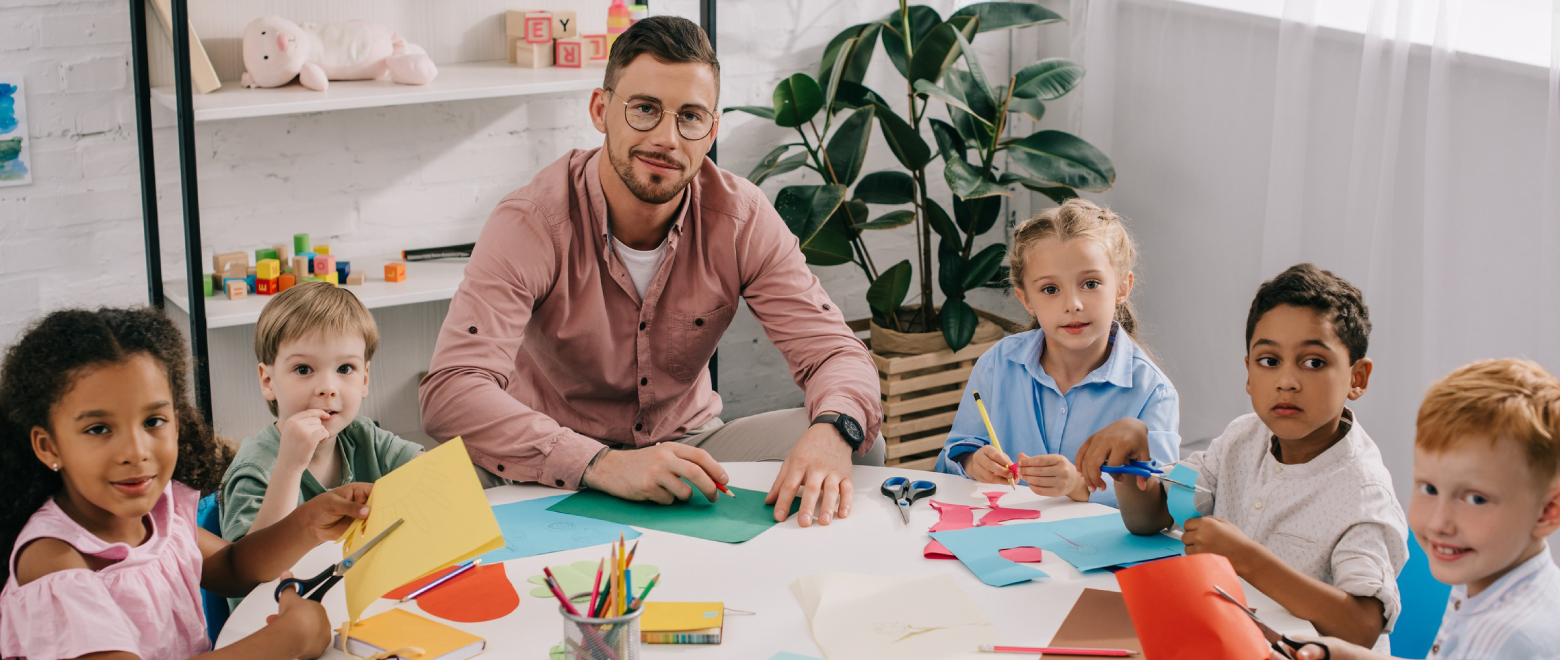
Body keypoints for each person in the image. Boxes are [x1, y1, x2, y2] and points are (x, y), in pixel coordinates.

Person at [419, 16, 882, 527]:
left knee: (857, 444)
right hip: (553, 456)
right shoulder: (533, 220)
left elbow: (834, 351)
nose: (666, 137)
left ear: (711, 130)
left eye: (689, 116)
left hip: (688, 444)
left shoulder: (741, 217)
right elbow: (453, 390)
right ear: (601, 110)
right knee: (441, 505)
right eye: (644, 109)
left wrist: (833, 429)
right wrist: (601, 464)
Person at [0, 307, 373, 659]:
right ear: (48, 446)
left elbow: (232, 567)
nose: (135, 451)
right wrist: (286, 639)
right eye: (98, 429)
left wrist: (310, 521)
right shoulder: (54, 560)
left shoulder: (159, 510)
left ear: (177, 422)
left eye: (153, 421)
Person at [1078, 263, 1407, 649]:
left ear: (1357, 378)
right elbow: (1150, 517)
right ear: (1249, 373)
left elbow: (1362, 626)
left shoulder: (1362, 492)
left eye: (1314, 362)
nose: (1287, 380)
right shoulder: (1242, 437)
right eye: (1269, 361)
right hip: (1221, 638)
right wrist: (1133, 463)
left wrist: (1248, 560)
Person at [1279, 359, 1560, 660]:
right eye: (1430, 489)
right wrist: (1351, 656)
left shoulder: (1512, 643)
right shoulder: (1493, 578)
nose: (1439, 523)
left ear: (1547, 512)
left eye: (1476, 499)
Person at [933, 198, 1179, 506]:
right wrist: (972, 462)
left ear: (1121, 288)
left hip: (1099, 551)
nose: (1072, 304)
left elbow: (1162, 501)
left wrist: (1079, 485)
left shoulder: (1152, 392)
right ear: (1026, 300)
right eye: (1050, 289)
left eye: (1090, 283)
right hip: (1002, 539)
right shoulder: (998, 364)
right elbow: (951, 458)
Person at [221, 282, 421, 542]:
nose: (328, 388)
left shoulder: (363, 435)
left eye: (345, 368)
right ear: (268, 381)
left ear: (364, 379)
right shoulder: (254, 470)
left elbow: (433, 475)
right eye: (304, 369)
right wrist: (289, 467)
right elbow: (248, 568)